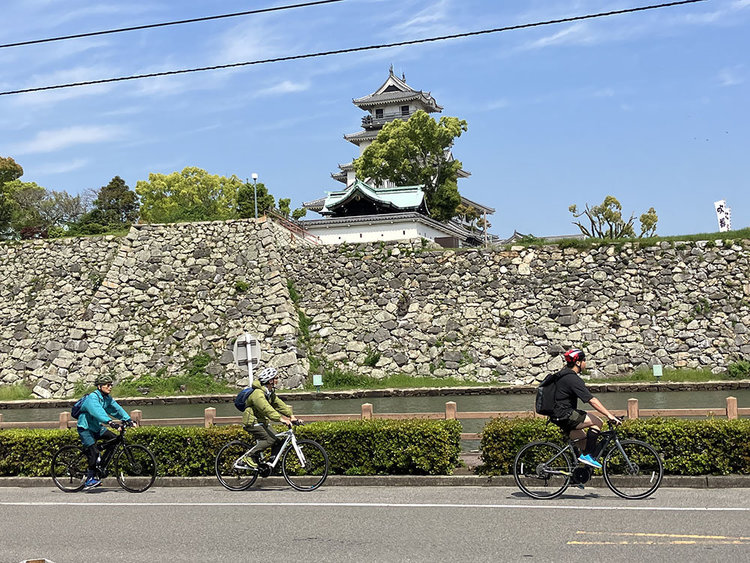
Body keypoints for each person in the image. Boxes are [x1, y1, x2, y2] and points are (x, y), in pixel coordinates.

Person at [548, 349, 621, 470]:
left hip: (558, 415)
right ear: (578, 363)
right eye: (584, 360)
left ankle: (578, 474)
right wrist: (610, 415)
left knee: (584, 443)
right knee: (598, 422)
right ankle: (587, 457)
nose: (585, 363)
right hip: (566, 414)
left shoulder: (563, 374)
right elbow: (591, 400)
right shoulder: (572, 379)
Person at [76, 374, 134, 489]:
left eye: (111, 385)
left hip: (96, 427)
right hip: (85, 428)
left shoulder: (107, 398)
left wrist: (128, 419)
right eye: (108, 385)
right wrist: (110, 422)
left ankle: (101, 466)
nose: (110, 387)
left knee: (114, 439)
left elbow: (116, 408)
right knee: (94, 452)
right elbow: (97, 412)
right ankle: (90, 479)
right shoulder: (92, 398)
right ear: (99, 386)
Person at [240, 367, 297, 470]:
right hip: (252, 422)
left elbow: (278, 404)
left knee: (278, 441)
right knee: (270, 439)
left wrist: (291, 415)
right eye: (276, 378)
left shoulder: (269, 393)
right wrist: (280, 419)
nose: (277, 380)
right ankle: (248, 457)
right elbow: (266, 409)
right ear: (270, 380)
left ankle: (269, 464)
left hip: (261, 421)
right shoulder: (257, 394)